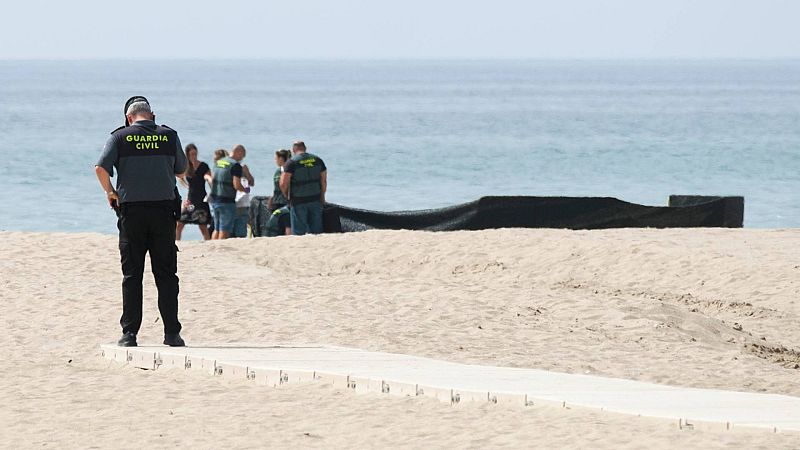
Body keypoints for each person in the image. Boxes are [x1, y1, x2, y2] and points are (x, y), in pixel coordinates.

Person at [94, 96, 187, 348]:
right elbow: (181, 170)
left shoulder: (119, 137)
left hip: (131, 214)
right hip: (163, 213)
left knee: (132, 275)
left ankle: (129, 334)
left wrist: (110, 192)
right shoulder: (169, 135)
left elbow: (100, 168)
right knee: (166, 274)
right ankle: (171, 334)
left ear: (128, 117)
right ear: (152, 115)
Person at [280, 141, 327, 235]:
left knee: (299, 232)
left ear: (293, 150)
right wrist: (322, 196)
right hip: (315, 198)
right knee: (316, 231)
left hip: (298, 200)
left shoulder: (291, 163)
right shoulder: (318, 160)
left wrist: (286, 195)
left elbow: (283, 183)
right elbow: (324, 182)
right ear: (305, 148)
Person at [209, 148, 248, 240]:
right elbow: (237, 185)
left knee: (217, 229)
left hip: (215, 199)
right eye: (242, 156)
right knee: (225, 229)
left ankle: (213, 248)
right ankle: (220, 249)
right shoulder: (235, 165)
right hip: (227, 201)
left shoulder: (218, 162)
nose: (242, 159)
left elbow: (212, 179)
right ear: (238, 152)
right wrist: (246, 190)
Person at [176, 143, 211, 240]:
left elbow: (210, 179)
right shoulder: (186, 167)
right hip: (190, 199)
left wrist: (209, 181)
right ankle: (176, 243)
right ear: (187, 155)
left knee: (203, 225)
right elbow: (179, 176)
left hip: (201, 199)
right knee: (180, 223)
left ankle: (208, 243)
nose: (194, 156)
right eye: (192, 154)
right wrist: (185, 185)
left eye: (195, 154)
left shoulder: (203, 166)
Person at [230, 144, 255, 238]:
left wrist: (247, 173)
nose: (242, 158)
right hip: (233, 201)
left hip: (243, 202)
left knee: (241, 230)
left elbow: (252, 182)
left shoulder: (242, 167)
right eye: (242, 155)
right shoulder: (231, 165)